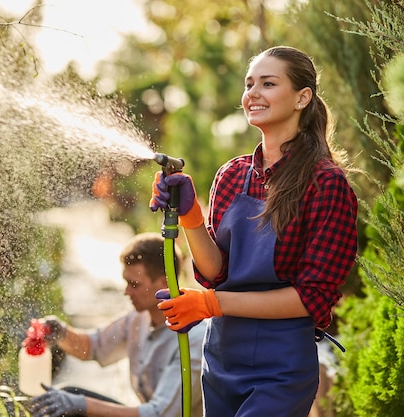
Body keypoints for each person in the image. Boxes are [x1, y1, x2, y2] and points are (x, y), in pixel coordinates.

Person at [150, 45, 358, 417]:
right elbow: (216, 271)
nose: (253, 94)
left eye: (268, 83)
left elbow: (311, 297)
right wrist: (191, 217)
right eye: (249, 84)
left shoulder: (326, 183)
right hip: (222, 359)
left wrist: (211, 304)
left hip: (280, 366)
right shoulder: (231, 175)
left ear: (302, 97)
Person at [27, 232, 207, 417]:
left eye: (134, 284)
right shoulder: (138, 320)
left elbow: (159, 413)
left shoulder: (193, 339)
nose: (126, 292)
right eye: (126, 282)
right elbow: (94, 347)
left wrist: (82, 405)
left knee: (74, 404)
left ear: (164, 283)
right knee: (67, 394)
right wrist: (61, 333)